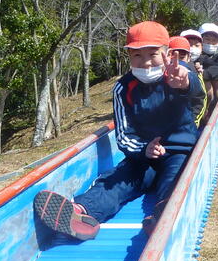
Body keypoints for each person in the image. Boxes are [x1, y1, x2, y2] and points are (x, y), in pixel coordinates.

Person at [34, 21, 204, 240]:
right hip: (142, 157)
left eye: (152, 54)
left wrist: (185, 83)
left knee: (176, 179)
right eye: (137, 56)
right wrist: (145, 150)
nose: (145, 62)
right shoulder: (123, 88)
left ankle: (166, 214)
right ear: (129, 57)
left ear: (166, 53)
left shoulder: (179, 75)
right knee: (117, 180)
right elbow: (124, 134)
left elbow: (196, 93)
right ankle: (82, 213)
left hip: (178, 152)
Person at [168, 35, 207, 127]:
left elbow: (200, 101)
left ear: (189, 57)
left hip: (187, 125)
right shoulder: (159, 75)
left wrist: (193, 123)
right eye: (172, 57)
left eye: (181, 57)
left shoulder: (194, 74)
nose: (176, 63)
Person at [197, 22, 218, 113]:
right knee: (207, 86)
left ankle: (216, 107)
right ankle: (205, 111)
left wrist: (204, 73)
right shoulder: (196, 53)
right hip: (201, 84)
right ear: (201, 40)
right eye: (207, 39)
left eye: (214, 40)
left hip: (212, 81)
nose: (210, 43)